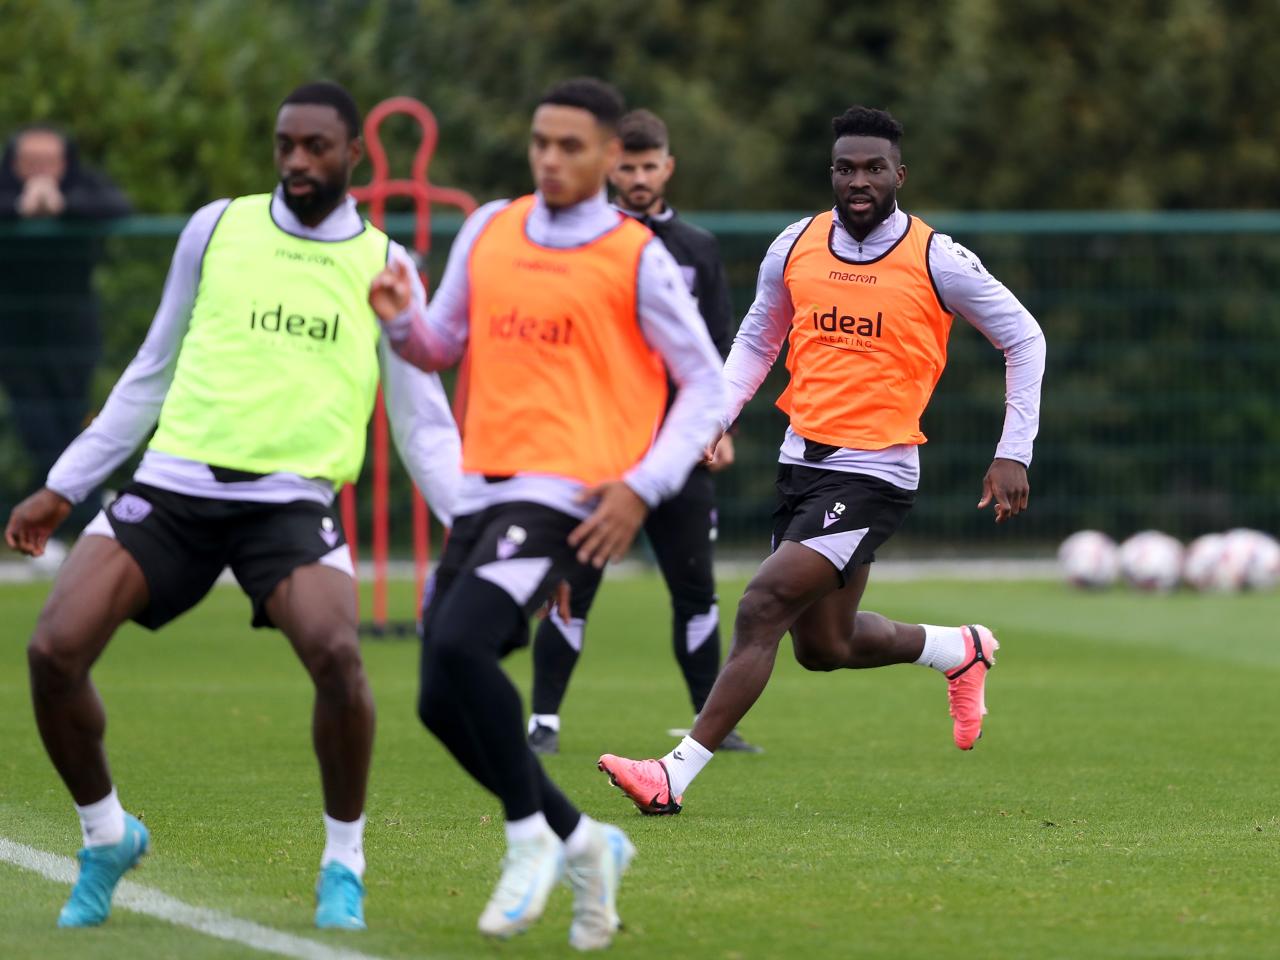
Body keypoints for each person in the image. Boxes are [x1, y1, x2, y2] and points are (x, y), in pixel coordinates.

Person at [4, 82, 462, 931]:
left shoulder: (389, 265)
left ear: (354, 153)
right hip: (172, 488)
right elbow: (150, 370)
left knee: (338, 655)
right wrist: (64, 485)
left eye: (316, 146)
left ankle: (344, 863)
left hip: (289, 501)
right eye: (285, 144)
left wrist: (474, 528)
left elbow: (422, 423)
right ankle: (106, 835)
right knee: (52, 651)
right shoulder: (215, 227)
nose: (297, 161)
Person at [598, 105, 1046, 815]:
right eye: (845, 168)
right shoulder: (795, 244)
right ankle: (955, 647)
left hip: (876, 471)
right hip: (800, 462)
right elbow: (758, 339)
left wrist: (1012, 451)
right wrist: (715, 417)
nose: (858, 180)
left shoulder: (937, 258)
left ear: (900, 174)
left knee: (762, 604)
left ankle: (671, 775)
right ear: (831, 173)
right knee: (824, 646)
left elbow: (1025, 338)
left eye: (874, 168)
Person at [368, 78, 725, 948]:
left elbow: (707, 386)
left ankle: (529, 839)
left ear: (609, 156)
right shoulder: (492, 228)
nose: (552, 159)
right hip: (484, 489)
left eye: (571, 146)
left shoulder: (635, 255)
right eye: (541, 143)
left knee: (462, 646)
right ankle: (583, 840)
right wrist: (403, 323)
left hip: (569, 496)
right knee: (437, 698)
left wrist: (640, 485)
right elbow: (442, 345)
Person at [526, 107, 759, 756]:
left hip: (678, 449)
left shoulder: (697, 248)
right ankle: (543, 721)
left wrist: (718, 425)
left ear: (668, 168)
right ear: (610, 167)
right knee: (572, 585)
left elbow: (719, 349)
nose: (637, 178)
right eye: (626, 167)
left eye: (648, 166)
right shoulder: (585, 245)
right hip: (598, 448)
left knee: (695, 588)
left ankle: (712, 725)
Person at [0, 125, 131, 534]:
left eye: (48, 162)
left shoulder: (83, 185)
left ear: (65, 163)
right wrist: (20, 207)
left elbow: (118, 206)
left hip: (73, 330)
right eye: (30, 162)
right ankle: (74, 513)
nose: (40, 170)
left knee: (74, 419)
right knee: (35, 424)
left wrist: (63, 205)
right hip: (15, 333)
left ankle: (76, 513)